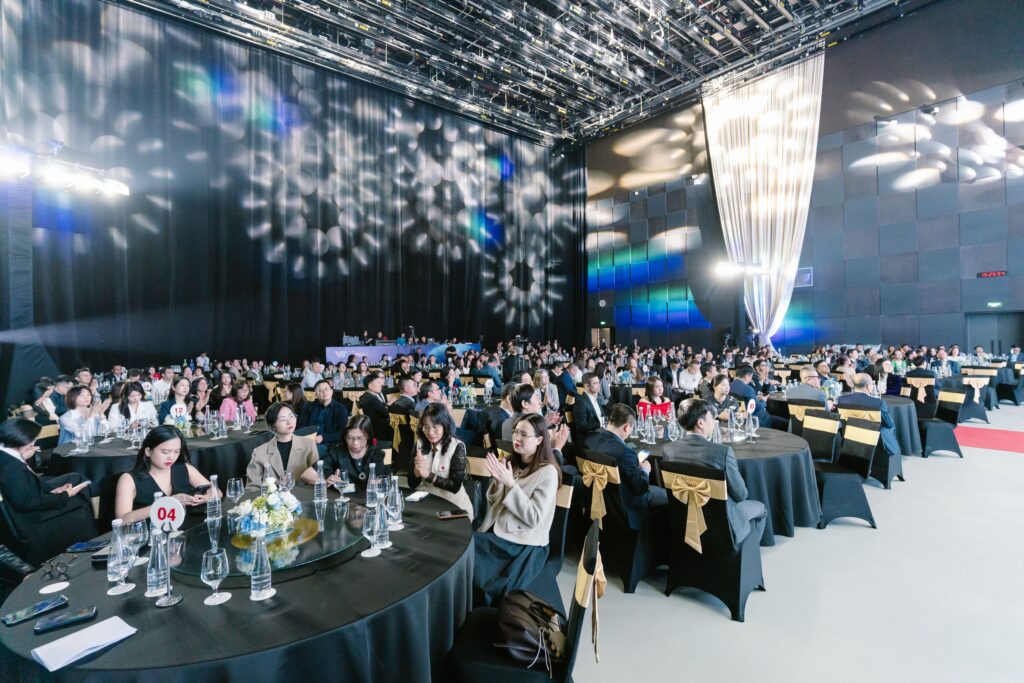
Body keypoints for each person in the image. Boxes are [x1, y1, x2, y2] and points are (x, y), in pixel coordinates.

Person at [473, 413, 560, 606]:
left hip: (521, 543)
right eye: (515, 432)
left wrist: (510, 484)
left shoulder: (548, 472)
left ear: (539, 440)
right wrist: (498, 484)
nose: (516, 438)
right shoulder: (514, 461)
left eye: (523, 434)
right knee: (464, 550)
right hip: (499, 532)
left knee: (471, 559)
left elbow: (534, 518)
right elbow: (494, 503)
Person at [661, 399, 767, 546]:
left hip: (683, 516)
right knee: (761, 509)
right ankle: (747, 552)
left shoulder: (669, 449)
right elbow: (741, 494)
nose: (714, 422)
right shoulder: (722, 452)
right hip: (722, 521)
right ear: (700, 423)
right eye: (712, 418)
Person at [0, 419, 96, 564]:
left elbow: (26, 486)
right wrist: (64, 495)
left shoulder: (6, 456)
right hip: (31, 520)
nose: (34, 442)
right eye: (32, 439)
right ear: (19, 440)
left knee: (76, 478)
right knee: (81, 498)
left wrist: (53, 491)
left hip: (29, 503)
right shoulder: (11, 467)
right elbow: (27, 503)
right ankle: (89, 542)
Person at [582, 404, 667, 531]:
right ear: (627, 427)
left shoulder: (589, 440)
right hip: (627, 502)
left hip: (600, 497)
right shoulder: (625, 453)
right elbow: (640, 488)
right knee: (667, 496)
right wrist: (645, 471)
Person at [114, 426, 215, 525]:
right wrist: (169, 503)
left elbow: (216, 491)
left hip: (187, 529)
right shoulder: (128, 479)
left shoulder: (184, 468)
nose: (171, 457)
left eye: (176, 452)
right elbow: (121, 520)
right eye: (165, 452)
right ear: (148, 451)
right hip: (150, 532)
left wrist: (205, 498)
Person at [408, 404, 473, 518]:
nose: (430, 432)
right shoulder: (420, 444)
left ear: (445, 425)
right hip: (427, 503)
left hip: (453, 505)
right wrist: (416, 472)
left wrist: (428, 475)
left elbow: (455, 486)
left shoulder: (457, 446)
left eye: (435, 427)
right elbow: (411, 483)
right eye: (426, 427)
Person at [246, 403, 319, 489]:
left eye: (291, 416)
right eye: (283, 419)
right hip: (272, 497)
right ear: (273, 425)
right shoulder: (259, 452)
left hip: (303, 495)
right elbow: (252, 488)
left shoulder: (308, 444)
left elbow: (317, 478)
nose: (290, 422)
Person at [836, 373, 901, 456]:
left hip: (850, 436)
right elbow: (889, 424)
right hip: (873, 441)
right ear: (868, 386)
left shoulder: (841, 400)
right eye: (872, 384)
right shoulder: (878, 403)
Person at [320, 415, 389, 489]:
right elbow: (311, 471)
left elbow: (382, 481)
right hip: (340, 494)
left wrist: (378, 483)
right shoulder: (338, 451)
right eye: (350, 438)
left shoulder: (376, 454)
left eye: (360, 438)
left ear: (367, 436)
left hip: (367, 495)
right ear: (345, 437)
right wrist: (325, 481)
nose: (355, 443)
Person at [306, 379, 349, 457]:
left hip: (330, 444)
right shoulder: (310, 407)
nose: (324, 392)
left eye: (326, 389)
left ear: (331, 391)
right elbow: (302, 425)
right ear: (316, 394)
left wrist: (323, 438)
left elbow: (343, 432)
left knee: (309, 452)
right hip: (310, 441)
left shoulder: (340, 409)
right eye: (320, 390)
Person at [357, 372, 392, 444]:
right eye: (378, 383)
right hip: (380, 431)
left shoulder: (366, 396)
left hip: (373, 427)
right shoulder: (372, 399)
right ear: (370, 386)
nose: (381, 385)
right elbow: (387, 414)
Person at [572, 372, 604, 437]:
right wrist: (600, 424)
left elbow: (602, 416)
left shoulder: (597, 398)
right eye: (595, 383)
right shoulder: (580, 402)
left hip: (600, 431)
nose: (599, 385)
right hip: (589, 435)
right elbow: (581, 426)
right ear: (586, 386)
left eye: (598, 382)